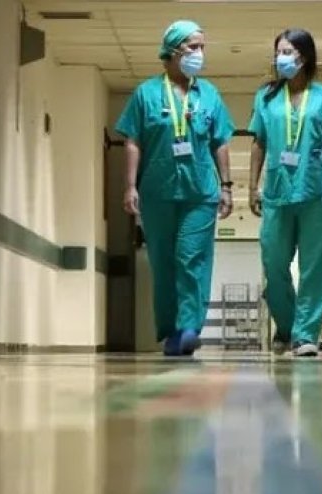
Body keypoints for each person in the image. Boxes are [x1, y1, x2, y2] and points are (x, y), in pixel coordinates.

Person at [116, 20, 235, 357]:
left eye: (202, 47)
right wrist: (130, 186)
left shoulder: (208, 94)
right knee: (164, 262)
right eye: (192, 46)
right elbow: (133, 141)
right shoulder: (146, 93)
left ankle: (188, 327)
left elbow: (221, 142)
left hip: (200, 192)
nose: (199, 53)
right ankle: (170, 331)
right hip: (157, 191)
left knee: (191, 257)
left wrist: (226, 187)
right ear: (171, 51)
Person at [248, 28, 322, 358]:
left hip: (315, 190)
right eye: (278, 52)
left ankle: (305, 335)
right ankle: (288, 322)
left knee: (313, 268)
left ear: (304, 57)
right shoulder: (265, 97)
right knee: (274, 263)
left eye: (288, 52)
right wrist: (252, 186)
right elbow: (258, 142)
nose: (281, 58)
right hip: (277, 192)